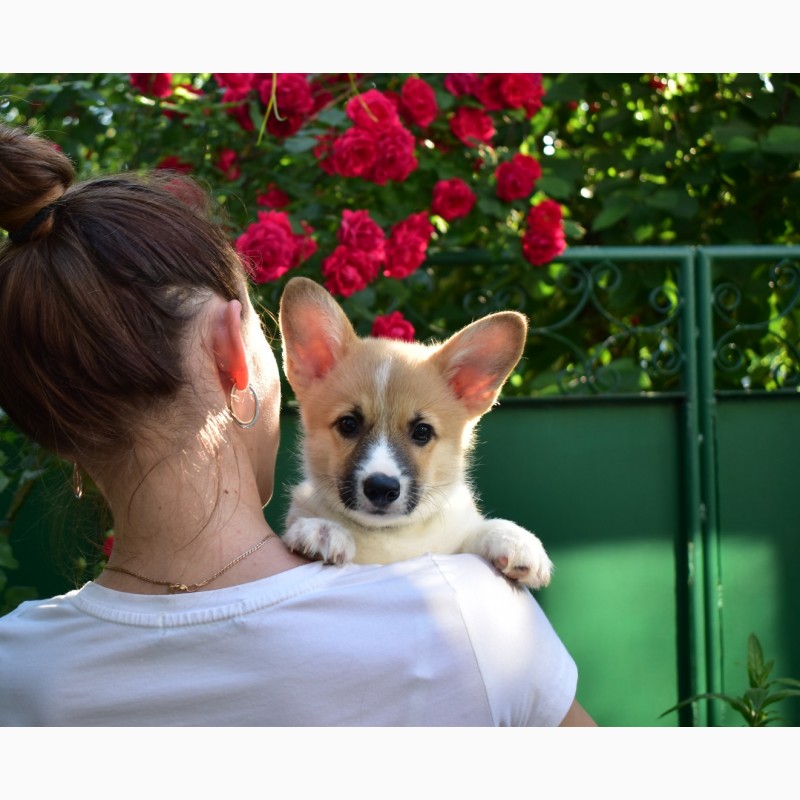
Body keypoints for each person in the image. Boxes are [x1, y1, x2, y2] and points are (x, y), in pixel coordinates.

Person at [0, 122, 596, 727]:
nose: (381, 469)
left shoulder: (16, 669)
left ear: (54, 422)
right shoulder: (474, 620)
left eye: (417, 434)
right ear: (233, 351)